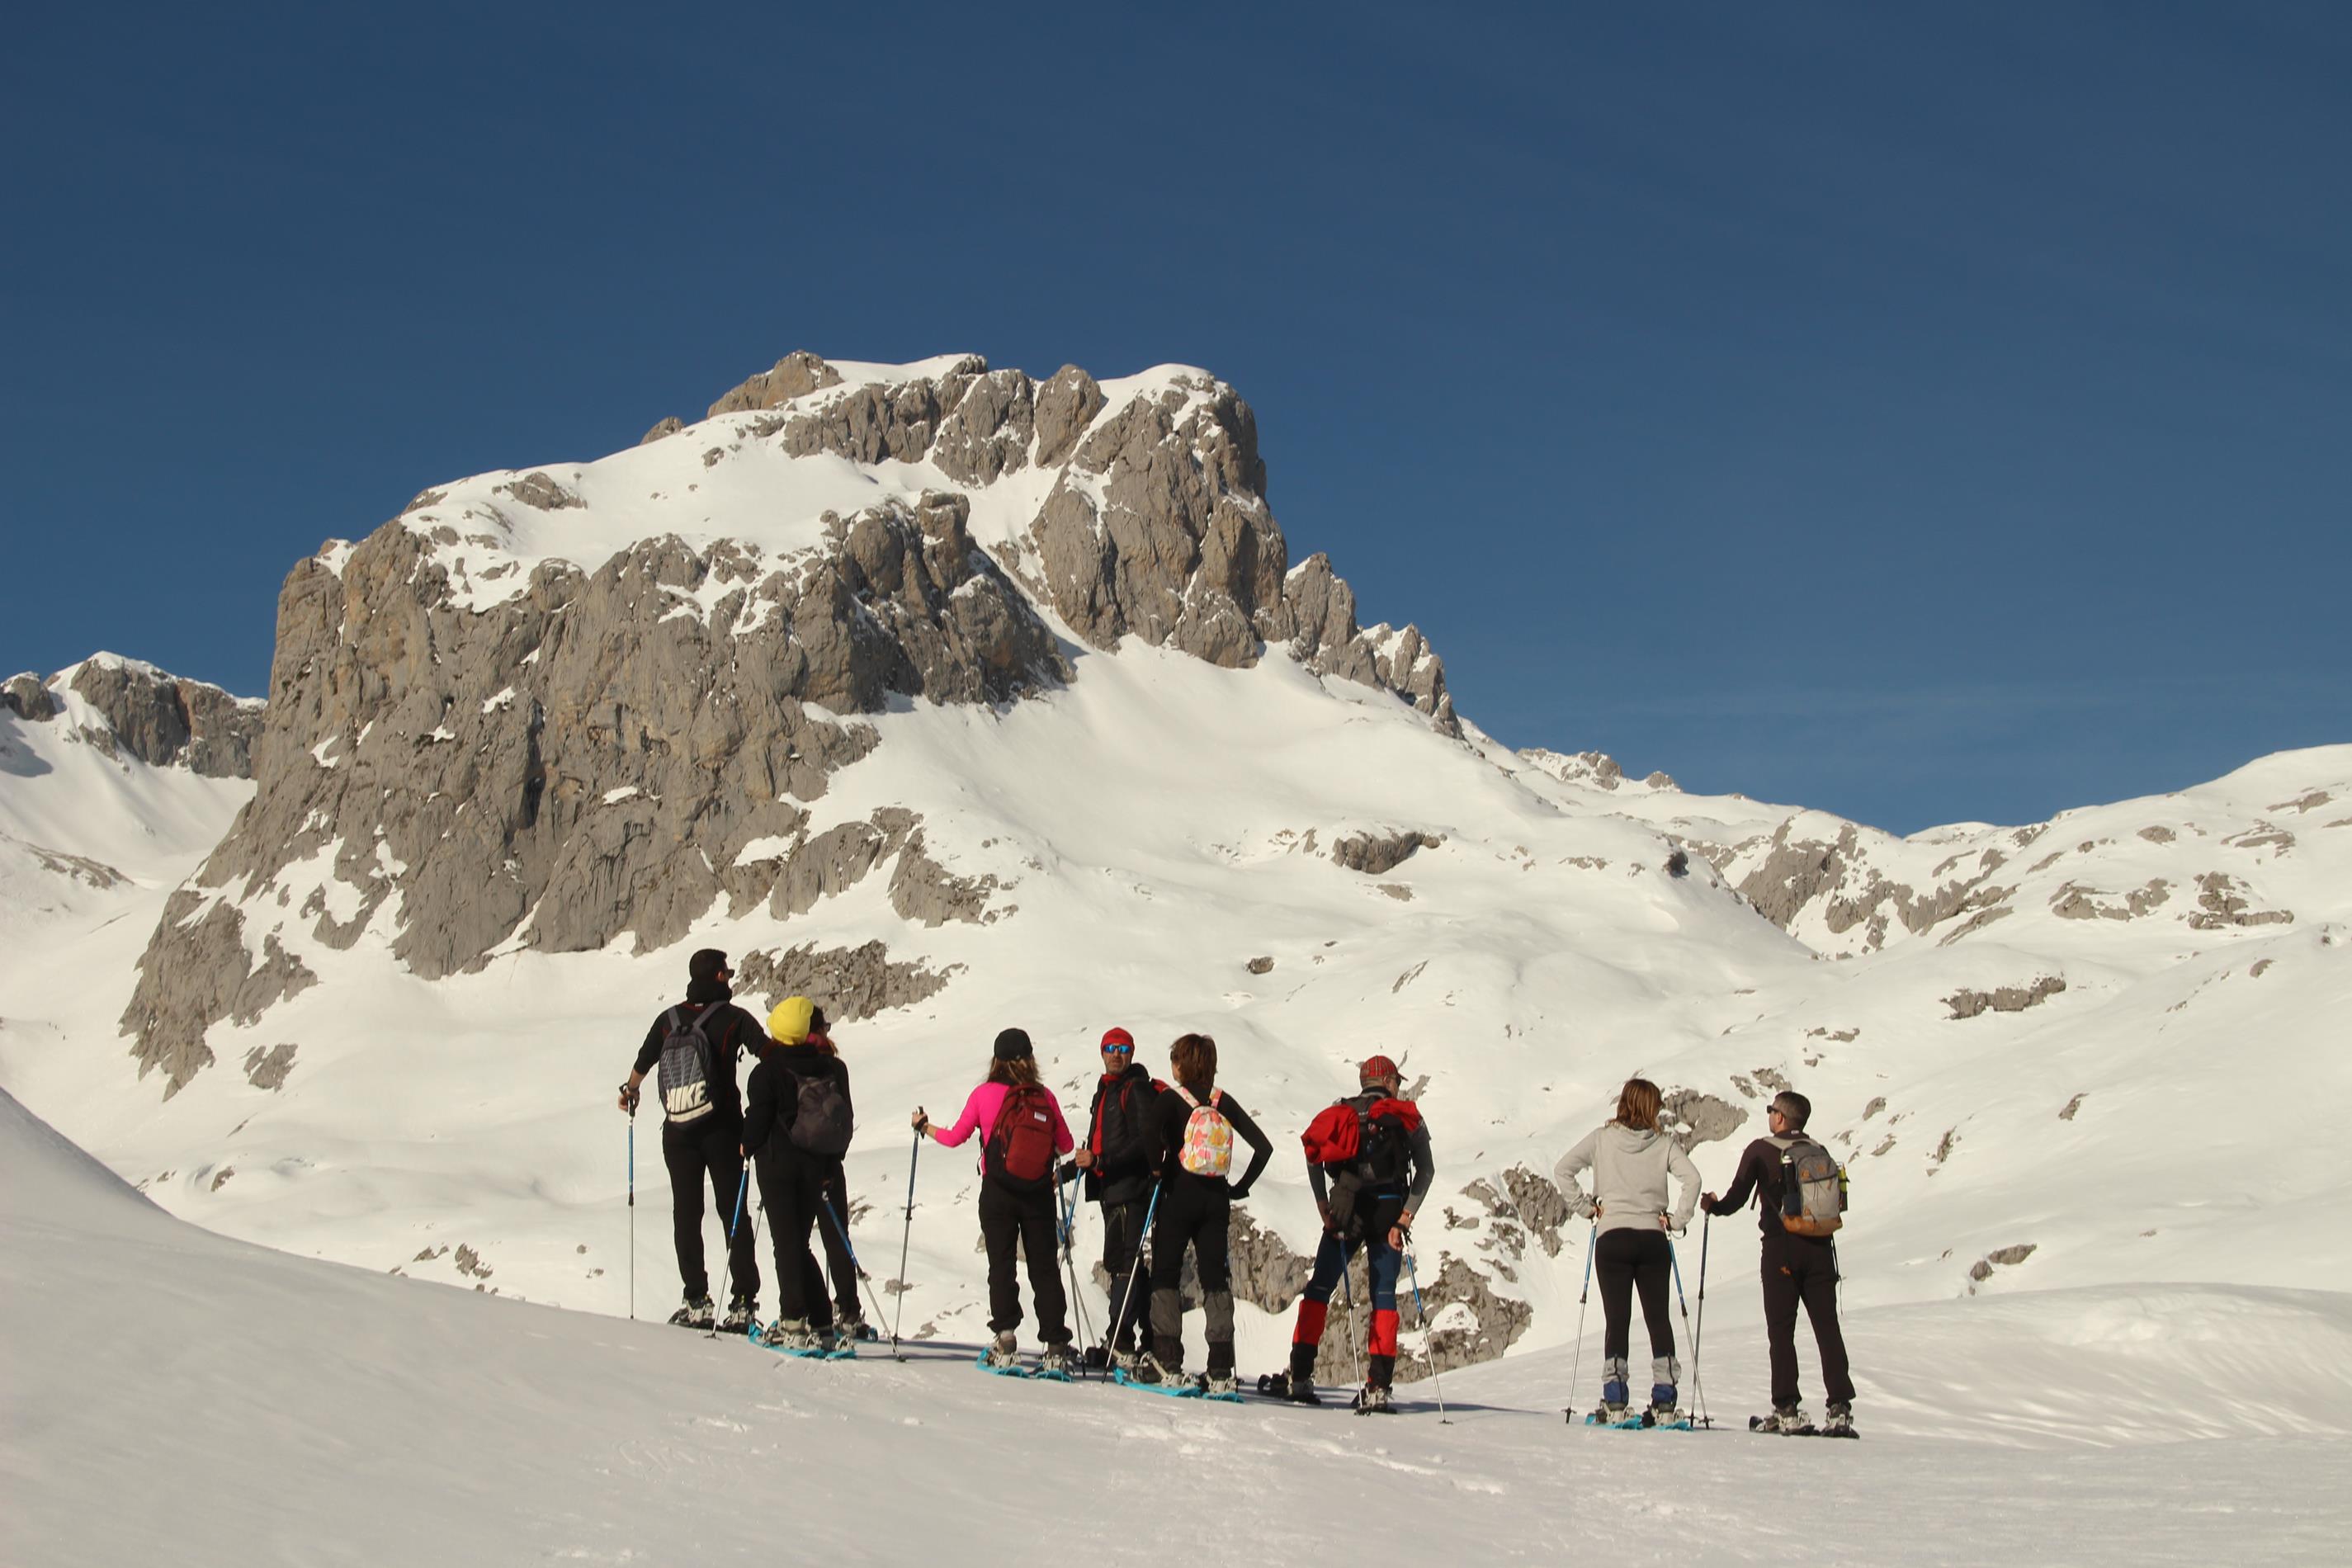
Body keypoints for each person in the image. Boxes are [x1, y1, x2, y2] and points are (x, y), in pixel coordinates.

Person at [912, 1028, 1078, 1375]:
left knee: (1001, 1265)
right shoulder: (1043, 1096)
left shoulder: (983, 1094)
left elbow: (956, 1138)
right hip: (1038, 1195)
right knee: (1044, 1267)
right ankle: (1056, 1345)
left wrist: (925, 1127)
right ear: (1029, 1059)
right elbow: (1066, 1145)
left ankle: (1005, 1340)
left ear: (997, 1060)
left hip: (998, 1192)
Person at [615, 949, 764, 1331]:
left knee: (686, 1213)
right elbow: (768, 1055)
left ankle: (695, 1299)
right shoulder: (734, 1018)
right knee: (732, 1212)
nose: (729, 978)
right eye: (727, 973)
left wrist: (630, 1092)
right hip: (723, 1129)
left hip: (678, 1132)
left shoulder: (668, 1020)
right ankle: (744, 1302)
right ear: (718, 977)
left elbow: (644, 1061)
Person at [1278, 1056, 1435, 1412]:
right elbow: (1426, 1170)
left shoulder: (1340, 1111)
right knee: (1382, 1294)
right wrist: (1404, 1219)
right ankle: (1378, 1385)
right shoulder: (1406, 1115)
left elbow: (1312, 1152)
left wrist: (1323, 1204)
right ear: (1390, 1081)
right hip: (1388, 1207)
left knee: (1319, 1287)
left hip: (1344, 1209)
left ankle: (1300, 1377)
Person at [1703, 1089, 1858, 1435]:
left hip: (1781, 1249)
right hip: (1820, 1248)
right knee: (1827, 1328)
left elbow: (1736, 1199)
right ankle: (1840, 1409)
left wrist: (1713, 1205)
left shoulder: (1761, 1150)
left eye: (1772, 1110)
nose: (1769, 1115)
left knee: (1781, 1330)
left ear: (1781, 1118)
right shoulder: (1819, 1151)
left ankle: (1787, 1409)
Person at [1125, 1033, 1272, 1395]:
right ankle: (1221, 1369)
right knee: (1215, 1281)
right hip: (1216, 1199)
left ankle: (1167, 1360)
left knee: (1165, 1274)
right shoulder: (1222, 1100)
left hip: (1177, 1194)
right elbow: (1263, 1147)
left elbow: (1147, 1131)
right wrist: (1239, 1186)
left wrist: (1157, 1167)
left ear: (1181, 1064)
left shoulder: (1172, 1099)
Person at [1553, 1077, 1700, 1422]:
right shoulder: (1663, 1144)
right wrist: (1676, 1220)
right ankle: (1665, 1401)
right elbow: (1692, 1180)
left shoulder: (1602, 1139)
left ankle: (1615, 1400)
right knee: (1658, 1318)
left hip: (1613, 1236)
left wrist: (1588, 1208)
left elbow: (1563, 1170)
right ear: (1653, 1108)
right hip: (1652, 1237)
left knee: (1617, 1319)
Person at [739, 995, 855, 1351]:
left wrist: (746, 1145)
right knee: (800, 1244)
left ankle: (794, 1321)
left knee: (786, 1245)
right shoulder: (830, 1068)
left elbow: (758, 1122)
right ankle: (822, 1322)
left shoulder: (768, 1071)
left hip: (778, 1166)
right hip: (819, 1166)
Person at [1069, 1026, 1161, 1369]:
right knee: (1126, 1264)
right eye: (1110, 1047)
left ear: (1132, 1053)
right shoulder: (1106, 1091)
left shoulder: (1135, 1089)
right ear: (1102, 1052)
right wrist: (1065, 1173)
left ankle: (1120, 1342)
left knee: (1125, 1265)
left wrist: (1101, 1162)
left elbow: (1143, 1143)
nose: (1116, 1054)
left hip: (1130, 1192)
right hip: (1114, 1192)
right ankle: (1146, 1340)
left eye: (1122, 1048)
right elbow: (1096, 1146)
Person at [801, 1005, 872, 1340]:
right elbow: (845, 1117)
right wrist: (834, 1160)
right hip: (830, 1164)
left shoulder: (786, 1065)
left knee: (794, 1241)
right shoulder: (836, 1066)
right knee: (837, 1237)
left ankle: (802, 1309)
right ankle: (849, 1311)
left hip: (795, 1165)